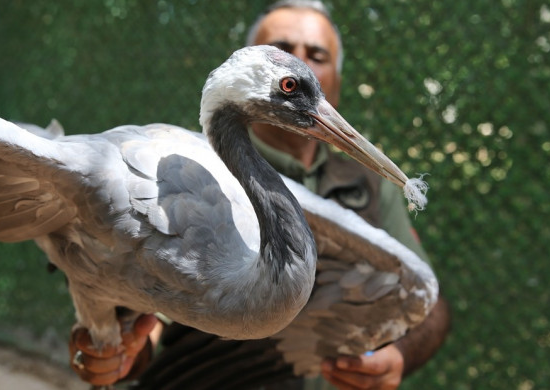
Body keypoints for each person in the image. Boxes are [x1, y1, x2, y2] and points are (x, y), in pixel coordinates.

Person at [69, 1, 450, 389]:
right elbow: (152, 293)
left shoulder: (369, 185)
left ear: (334, 79)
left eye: (316, 56)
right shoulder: (188, 172)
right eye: (284, 53)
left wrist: (396, 358)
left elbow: (428, 307)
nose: (299, 61)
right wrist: (124, 350)